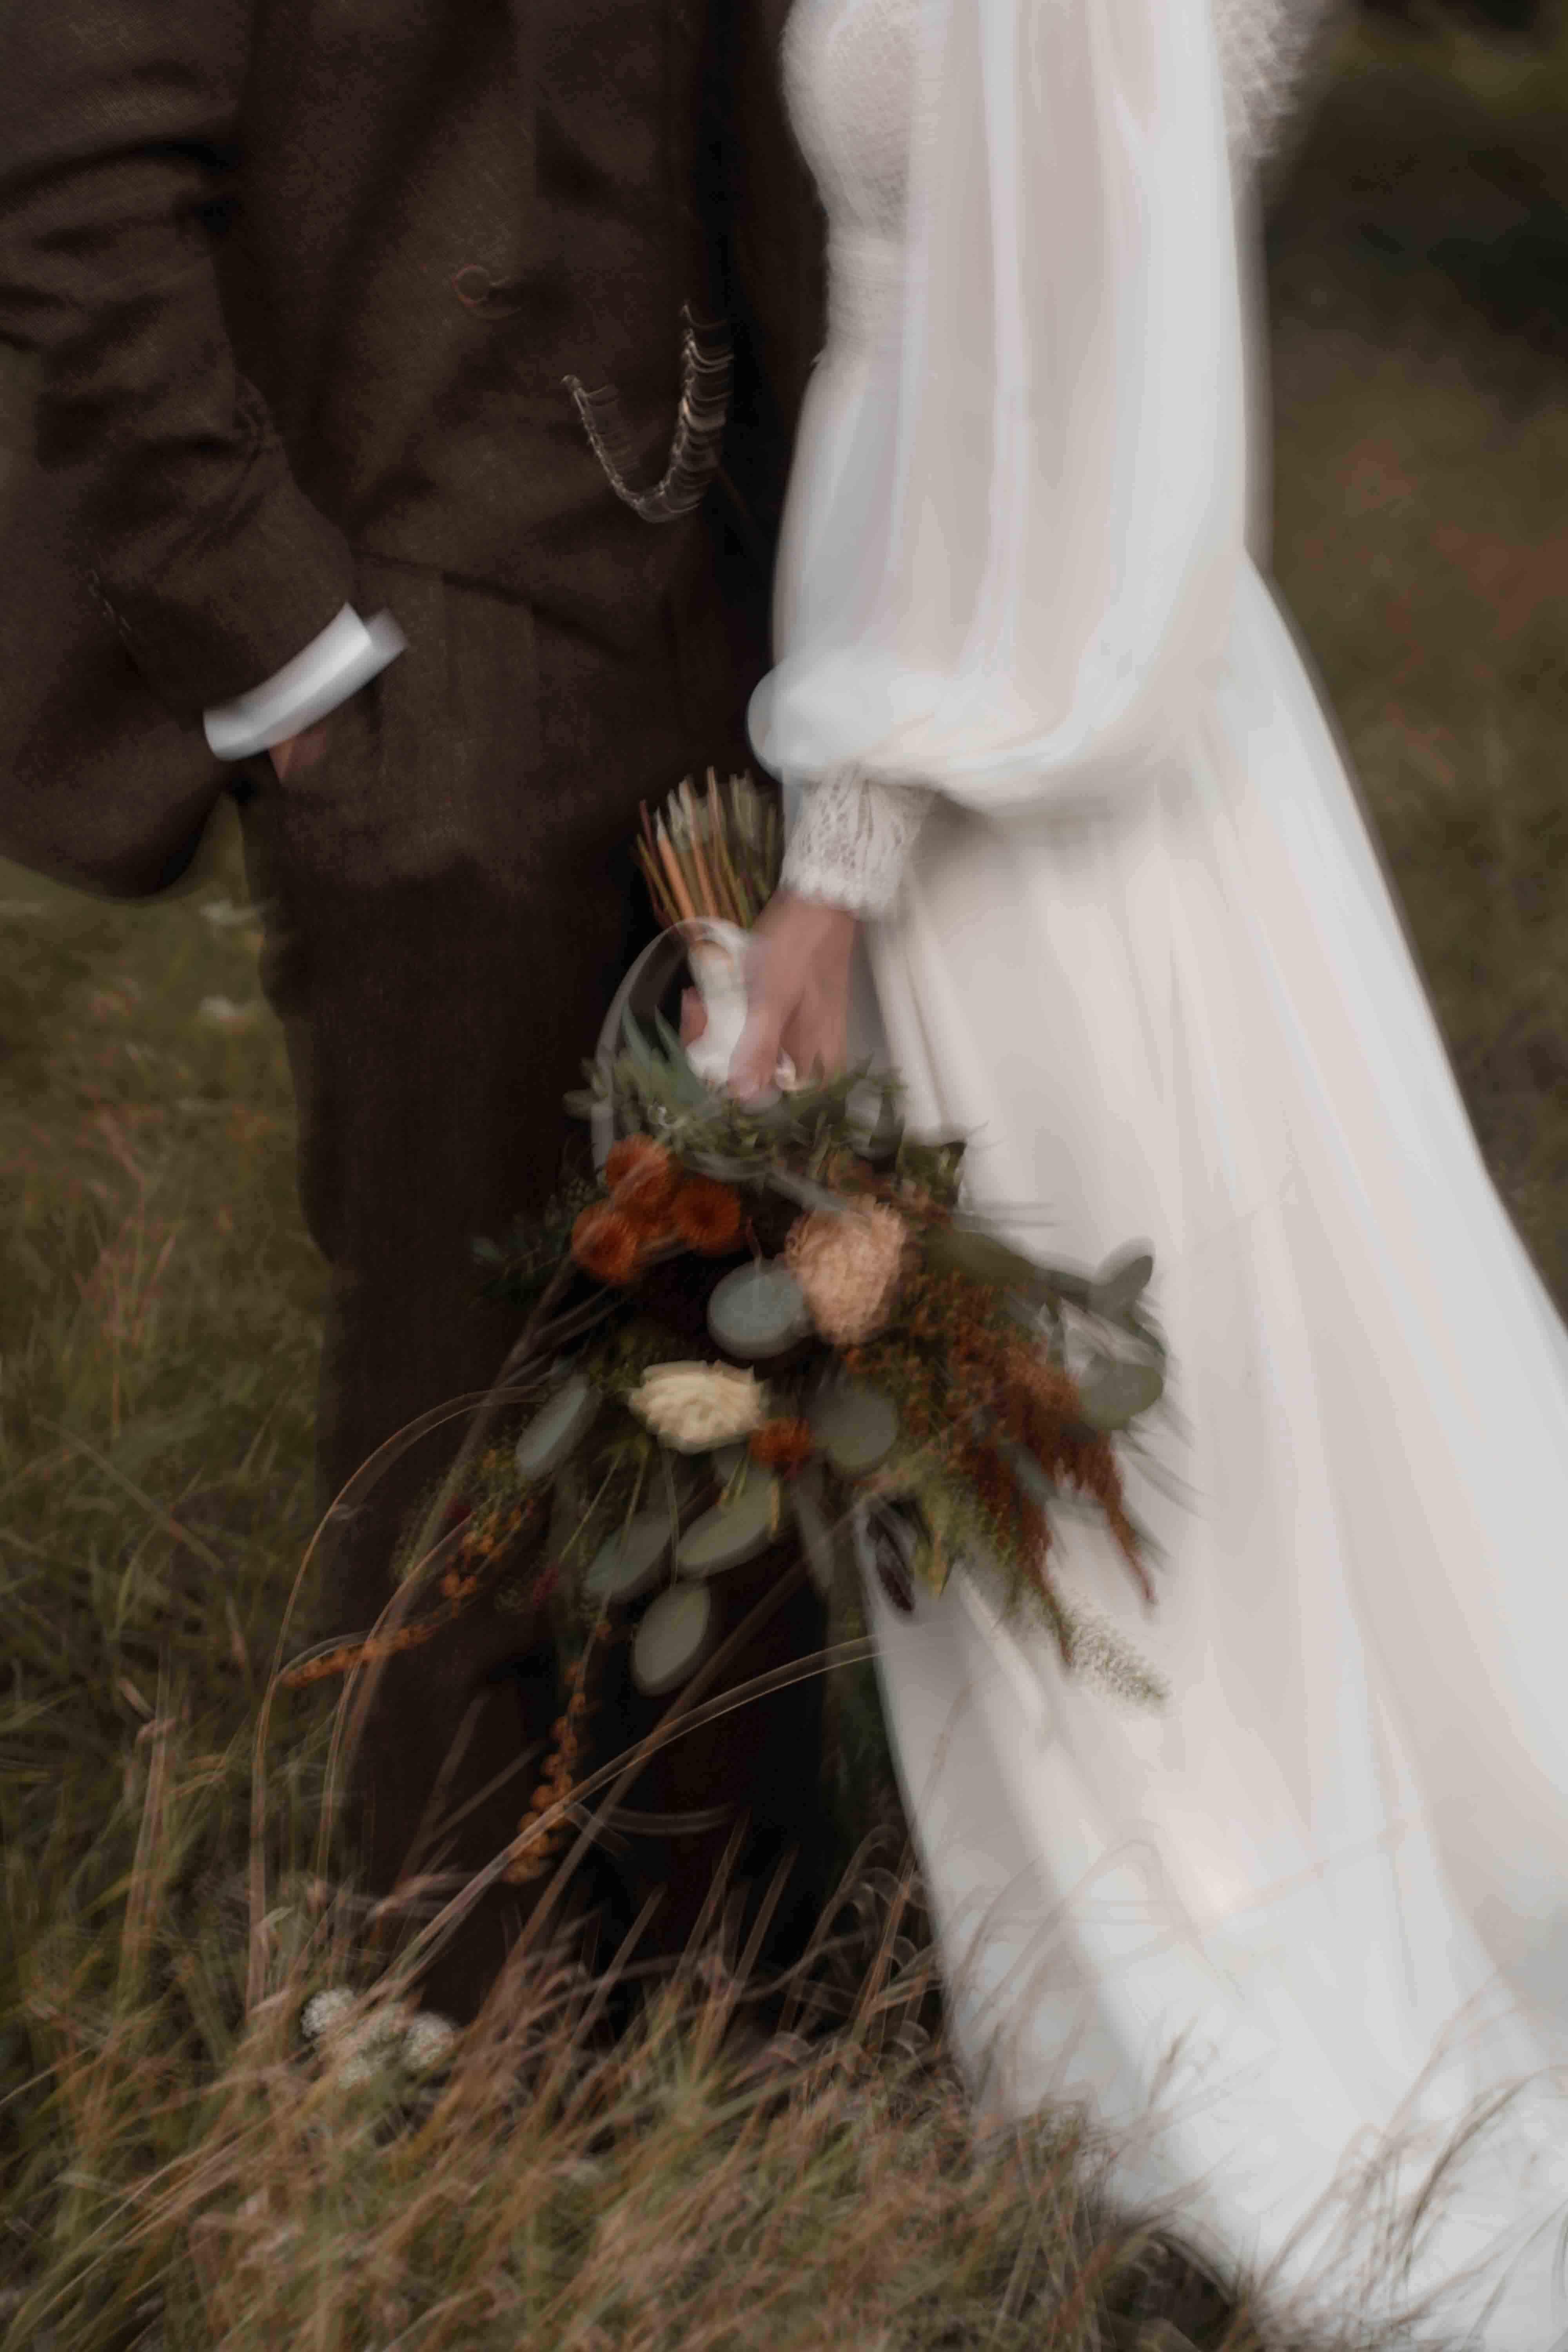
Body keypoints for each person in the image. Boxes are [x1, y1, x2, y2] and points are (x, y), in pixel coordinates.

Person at [722, 0, 1568, 2341]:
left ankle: (1174, 2043)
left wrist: (850, 839)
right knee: (1159, 1384)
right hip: (1038, 676)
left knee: (1084, 1416)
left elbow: (1052, 388)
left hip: (1007, 740)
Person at [0, 0, 831, 2024]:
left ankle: (749, 1992)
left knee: (736, 1343)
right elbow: (75, 183)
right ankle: (469, 2016)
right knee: (454, 1390)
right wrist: (284, 645)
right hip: (416, 644)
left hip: (732, 623)